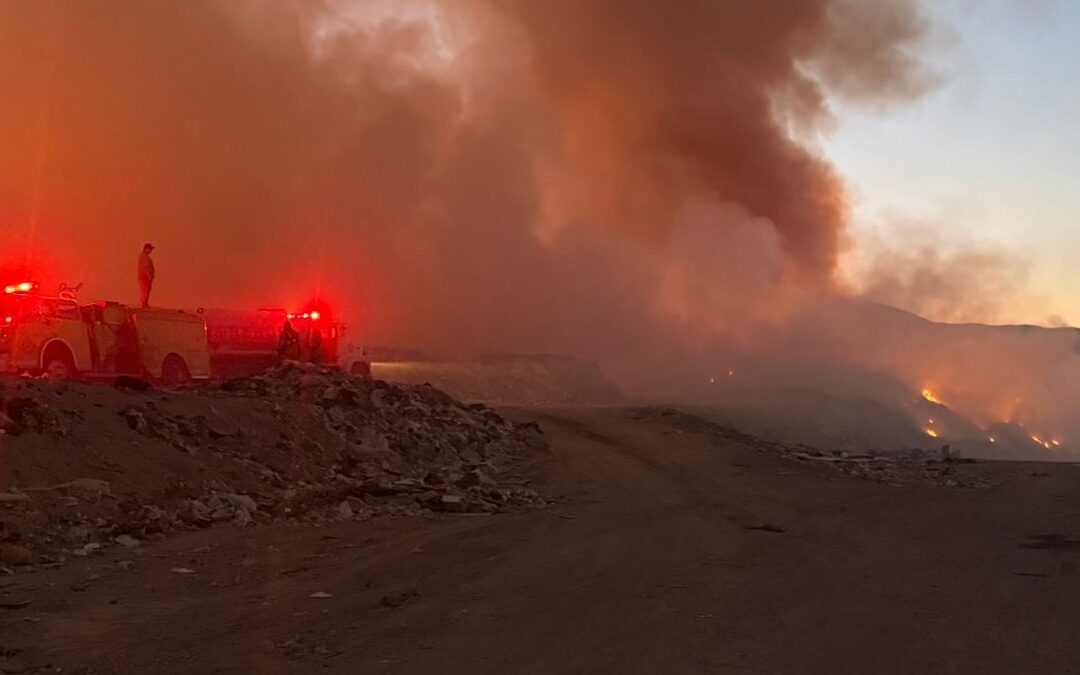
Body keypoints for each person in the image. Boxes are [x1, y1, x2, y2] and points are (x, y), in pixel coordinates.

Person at [137, 243, 155, 308]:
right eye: (150, 249)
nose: (151, 251)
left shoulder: (144, 256)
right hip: (145, 277)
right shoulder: (144, 256)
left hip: (145, 276)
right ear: (146, 249)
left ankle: (145, 303)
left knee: (146, 290)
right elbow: (146, 267)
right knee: (145, 290)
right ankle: (144, 303)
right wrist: (148, 275)